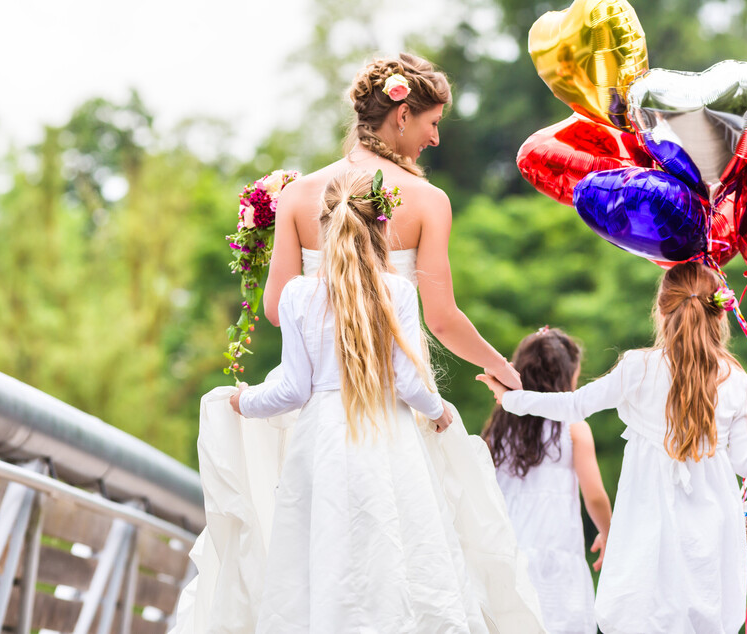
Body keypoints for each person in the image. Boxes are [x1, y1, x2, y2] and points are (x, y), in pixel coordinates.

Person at [171, 170, 546, 633]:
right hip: (388, 435)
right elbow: (408, 382)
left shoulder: (299, 295)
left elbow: (293, 388)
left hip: (321, 442)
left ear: (324, 230)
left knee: (321, 556)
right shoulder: (398, 292)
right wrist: (439, 410)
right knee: (396, 549)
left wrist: (244, 403)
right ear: (384, 230)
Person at [477, 262, 747, 634]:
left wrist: (512, 399)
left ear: (660, 310)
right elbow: (745, 460)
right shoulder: (735, 380)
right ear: (719, 313)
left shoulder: (638, 368)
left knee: (643, 615)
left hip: (648, 527)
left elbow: (571, 405)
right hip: (709, 528)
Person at [263, 52, 521, 390]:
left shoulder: (296, 195)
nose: (435, 138)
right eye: (434, 122)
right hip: (394, 386)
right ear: (403, 115)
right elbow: (441, 321)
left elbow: (274, 309)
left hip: (314, 387)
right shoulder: (430, 200)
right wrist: (503, 369)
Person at [482, 327, 612, 633]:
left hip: (507, 551)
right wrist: (609, 533)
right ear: (565, 380)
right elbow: (593, 495)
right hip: (556, 551)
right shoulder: (571, 426)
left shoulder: (497, 430)